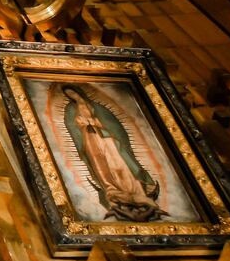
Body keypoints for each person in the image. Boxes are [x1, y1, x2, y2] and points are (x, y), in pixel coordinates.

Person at [62, 85, 165, 221]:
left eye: (72, 91)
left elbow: (112, 123)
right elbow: (71, 125)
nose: (71, 95)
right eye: (68, 93)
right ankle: (113, 191)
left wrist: (98, 124)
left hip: (107, 137)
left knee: (118, 161)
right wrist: (84, 126)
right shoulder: (70, 109)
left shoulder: (95, 106)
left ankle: (135, 190)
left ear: (77, 91)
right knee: (100, 165)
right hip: (89, 139)